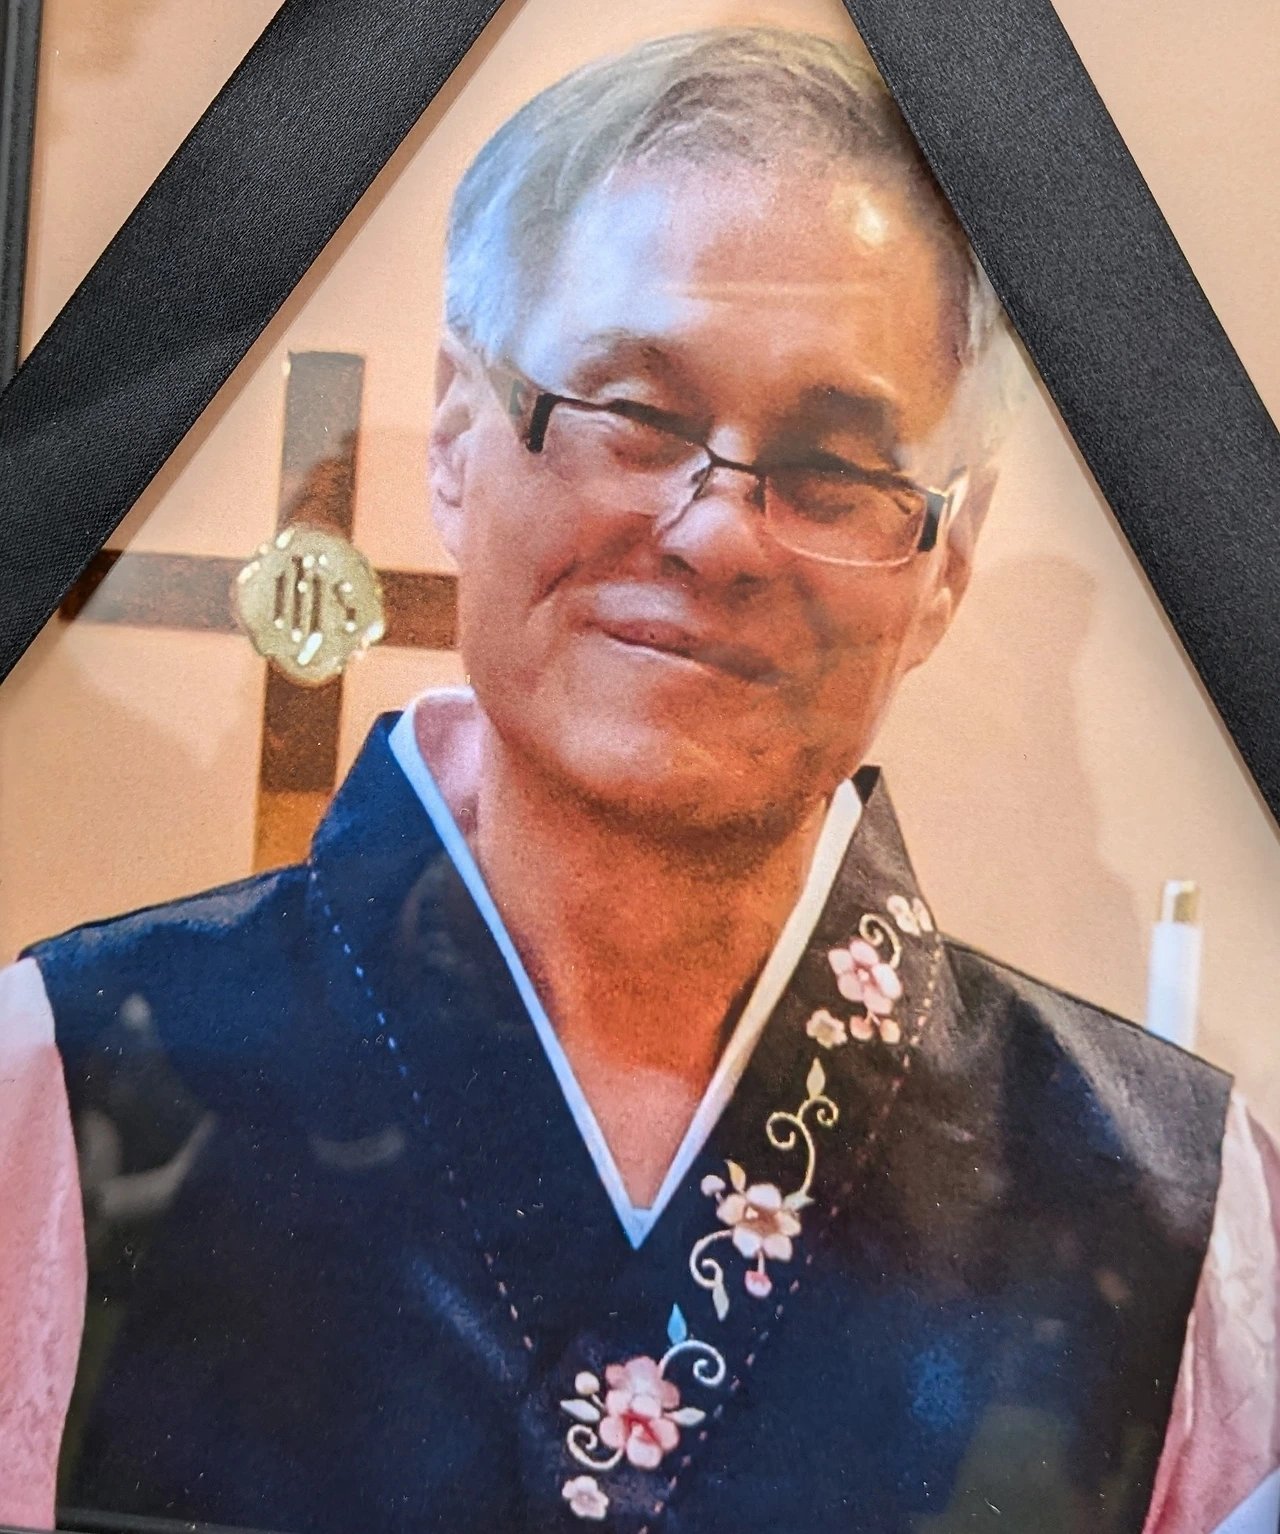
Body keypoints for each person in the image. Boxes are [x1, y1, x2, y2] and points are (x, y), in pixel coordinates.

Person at [1, 26, 1277, 1534]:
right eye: (632, 413)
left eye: (835, 467)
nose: (717, 532)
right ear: (458, 433)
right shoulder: (66, 1084)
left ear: (949, 560)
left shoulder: (1181, 1216)